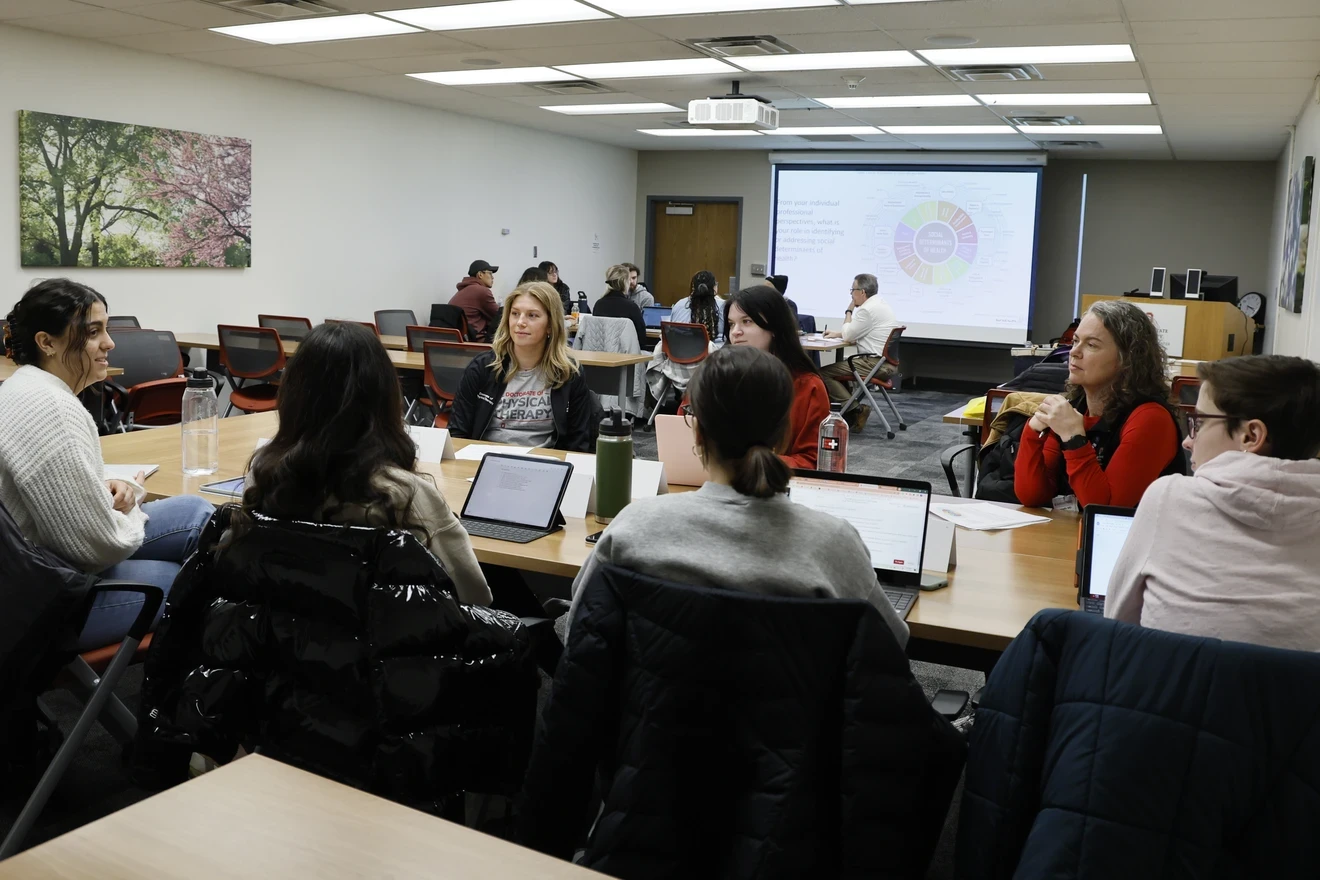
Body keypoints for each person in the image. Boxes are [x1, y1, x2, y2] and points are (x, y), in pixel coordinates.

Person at [569, 345, 908, 647]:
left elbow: (579, 629)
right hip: (790, 718)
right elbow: (891, 643)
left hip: (650, 715)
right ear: (784, 434)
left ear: (698, 432)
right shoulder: (833, 543)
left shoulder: (634, 528)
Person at [0, 279, 214, 650]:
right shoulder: (53, 410)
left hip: (35, 569)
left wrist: (123, 490)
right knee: (189, 577)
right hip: (38, 602)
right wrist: (131, 509)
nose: (110, 343)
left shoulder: (24, 388)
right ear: (46, 342)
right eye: (93, 332)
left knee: (196, 510)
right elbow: (98, 546)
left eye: (107, 329)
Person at [242, 321, 490, 606]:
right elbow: (475, 597)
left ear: (292, 395)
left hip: (282, 639)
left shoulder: (263, 476)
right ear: (385, 397)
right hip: (387, 644)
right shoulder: (405, 495)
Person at [1105, 355, 1320, 651]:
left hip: (1170, 695)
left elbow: (1117, 627)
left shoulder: (1168, 497)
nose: (1187, 441)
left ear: (1251, 435)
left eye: (1201, 422)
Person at [1015, 300, 1184, 510]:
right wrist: (1031, 433)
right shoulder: (1075, 407)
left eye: (1091, 345)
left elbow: (1105, 510)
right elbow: (1032, 496)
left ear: (1127, 359)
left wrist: (1075, 440)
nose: (1074, 352)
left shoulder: (1150, 418)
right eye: (1075, 341)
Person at [450, 281, 597, 452]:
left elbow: (577, 442)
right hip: (486, 461)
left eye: (532, 315)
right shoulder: (483, 367)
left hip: (544, 465)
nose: (520, 322)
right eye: (515, 314)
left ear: (550, 325)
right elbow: (457, 433)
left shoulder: (569, 373)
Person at [724, 285, 829, 469]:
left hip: (777, 486)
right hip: (714, 484)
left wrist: (751, 464)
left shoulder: (807, 386)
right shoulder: (718, 377)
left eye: (747, 321)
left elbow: (813, 461)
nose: (735, 332)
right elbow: (685, 433)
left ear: (774, 327)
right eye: (731, 324)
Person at [821, 273, 900, 431]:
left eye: (852, 290)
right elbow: (860, 333)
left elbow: (849, 334)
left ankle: (855, 409)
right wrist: (838, 334)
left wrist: (849, 311)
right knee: (836, 371)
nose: (851, 294)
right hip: (886, 364)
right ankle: (849, 409)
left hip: (873, 364)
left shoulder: (867, 310)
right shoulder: (880, 304)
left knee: (822, 373)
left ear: (862, 292)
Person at [589, 263, 648, 351]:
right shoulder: (632, 307)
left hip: (600, 354)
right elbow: (641, 339)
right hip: (627, 357)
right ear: (625, 283)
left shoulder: (599, 305)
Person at [450, 259, 499, 342]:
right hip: (475, 340)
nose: (492, 277)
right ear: (480, 275)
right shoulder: (481, 291)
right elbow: (499, 315)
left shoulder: (464, 290)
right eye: (490, 273)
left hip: (460, 339)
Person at [671, 270, 723, 342]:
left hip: (680, 351)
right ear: (714, 287)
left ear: (693, 288)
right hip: (716, 351)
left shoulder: (679, 305)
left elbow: (671, 332)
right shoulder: (723, 306)